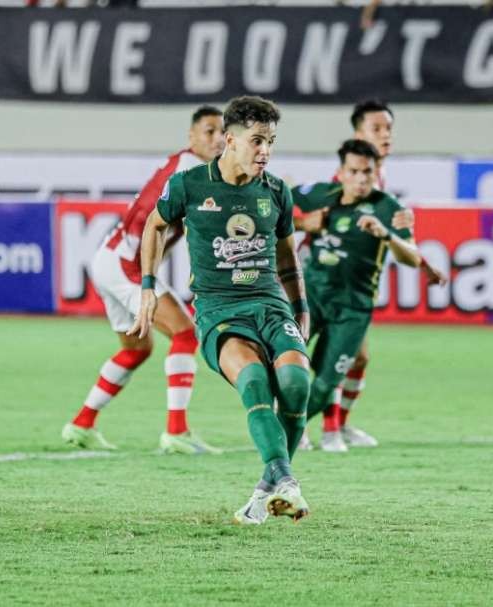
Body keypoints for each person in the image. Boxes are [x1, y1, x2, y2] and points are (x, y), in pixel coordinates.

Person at [130, 96, 312, 525]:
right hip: (219, 311)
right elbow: (154, 226)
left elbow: (288, 261)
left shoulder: (276, 192)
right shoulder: (191, 184)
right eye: (257, 141)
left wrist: (301, 313)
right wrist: (148, 288)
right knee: (252, 378)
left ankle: (265, 491)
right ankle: (287, 481)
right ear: (230, 141)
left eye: (271, 141)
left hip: (270, 304)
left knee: (295, 380)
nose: (265, 151)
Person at [62, 106, 225, 455]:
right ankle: (176, 432)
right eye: (209, 131)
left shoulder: (185, 166)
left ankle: (82, 423)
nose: (217, 139)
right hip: (125, 263)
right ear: (192, 136)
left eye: (221, 132)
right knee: (184, 332)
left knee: (137, 348)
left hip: (110, 258)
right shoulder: (194, 171)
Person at [294, 99, 446, 452]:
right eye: (376, 128)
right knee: (320, 356)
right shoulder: (342, 179)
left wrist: (421, 262)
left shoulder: (379, 184)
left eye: (389, 128)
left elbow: (387, 229)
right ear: (358, 134)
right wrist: (304, 224)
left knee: (355, 357)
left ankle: (336, 424)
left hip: (350, 287)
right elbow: (300, 213)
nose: (386, 134)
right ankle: (326, 428)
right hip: (319, 280)